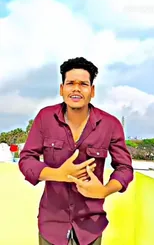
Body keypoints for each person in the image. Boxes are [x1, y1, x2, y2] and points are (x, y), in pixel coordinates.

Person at [18, 57, 134, 245]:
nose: (76, 89)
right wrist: (57, 174)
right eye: (70, 83)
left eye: (84, 84)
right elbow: (26, 159)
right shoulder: (45, 117)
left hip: (91, 225)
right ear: (62, 88)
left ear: (92, 91)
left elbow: (125, 168)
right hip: (51, 224)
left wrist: (104, 191)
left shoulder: (110, 124)